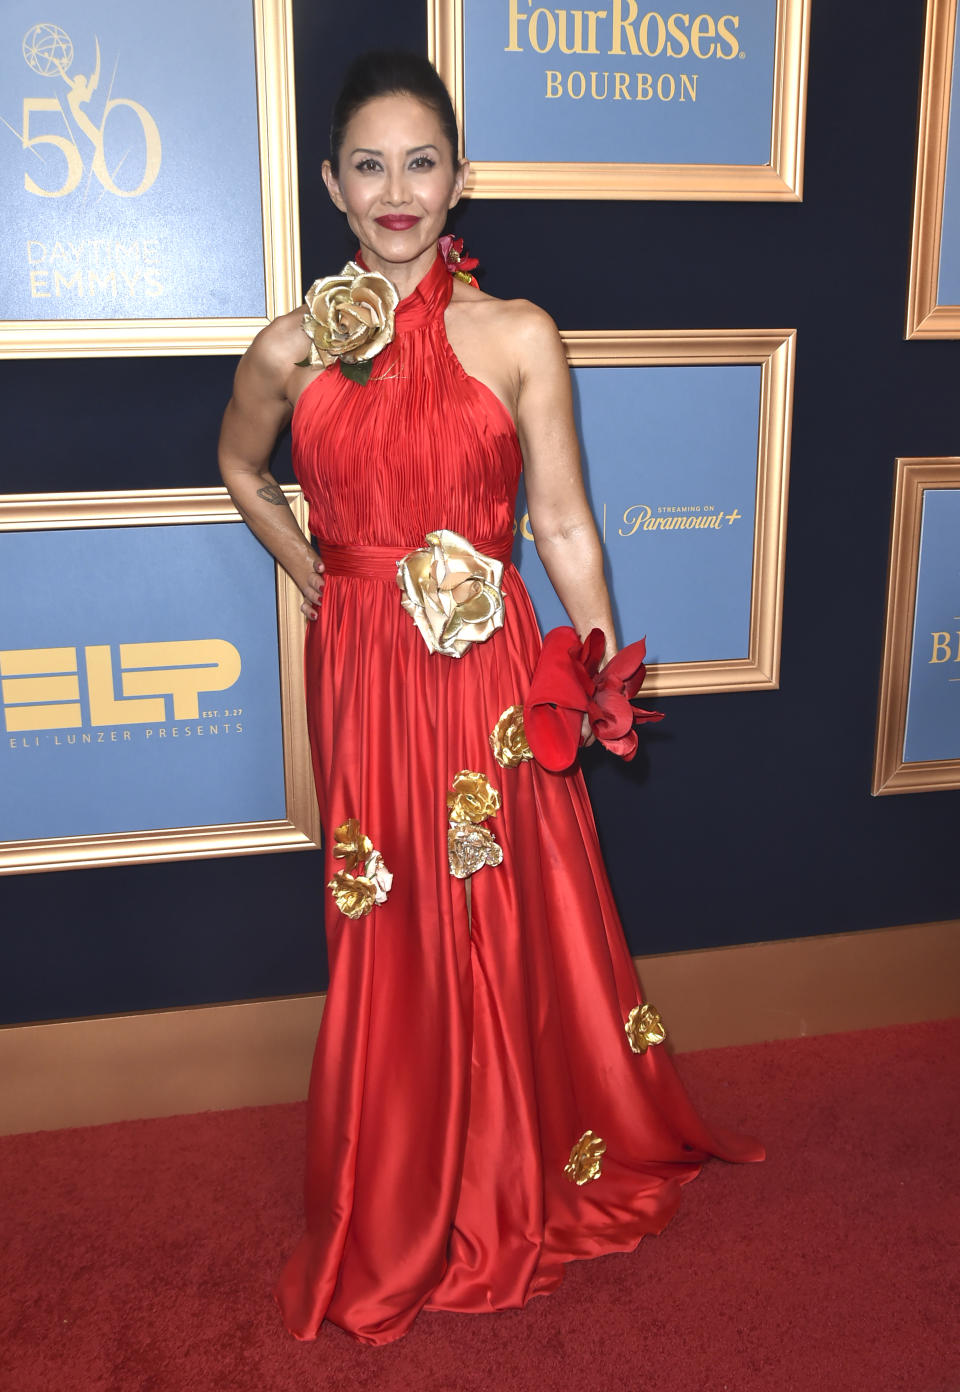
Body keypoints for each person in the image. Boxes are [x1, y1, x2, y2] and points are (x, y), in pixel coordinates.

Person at [218, 49, 764, 1348]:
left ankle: (520, 1164)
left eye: (421, 162)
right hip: (365, 670)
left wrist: (599, 667)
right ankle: (409, 1182)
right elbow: (240, 469)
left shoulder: (519, 335)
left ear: (459, 181)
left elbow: (564, 522)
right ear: (330, 184)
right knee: (393, 919)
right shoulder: (291, 348)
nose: (396, 190)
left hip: (492, 674)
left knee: (505, 908)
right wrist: (316, 577)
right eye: (369, 164)